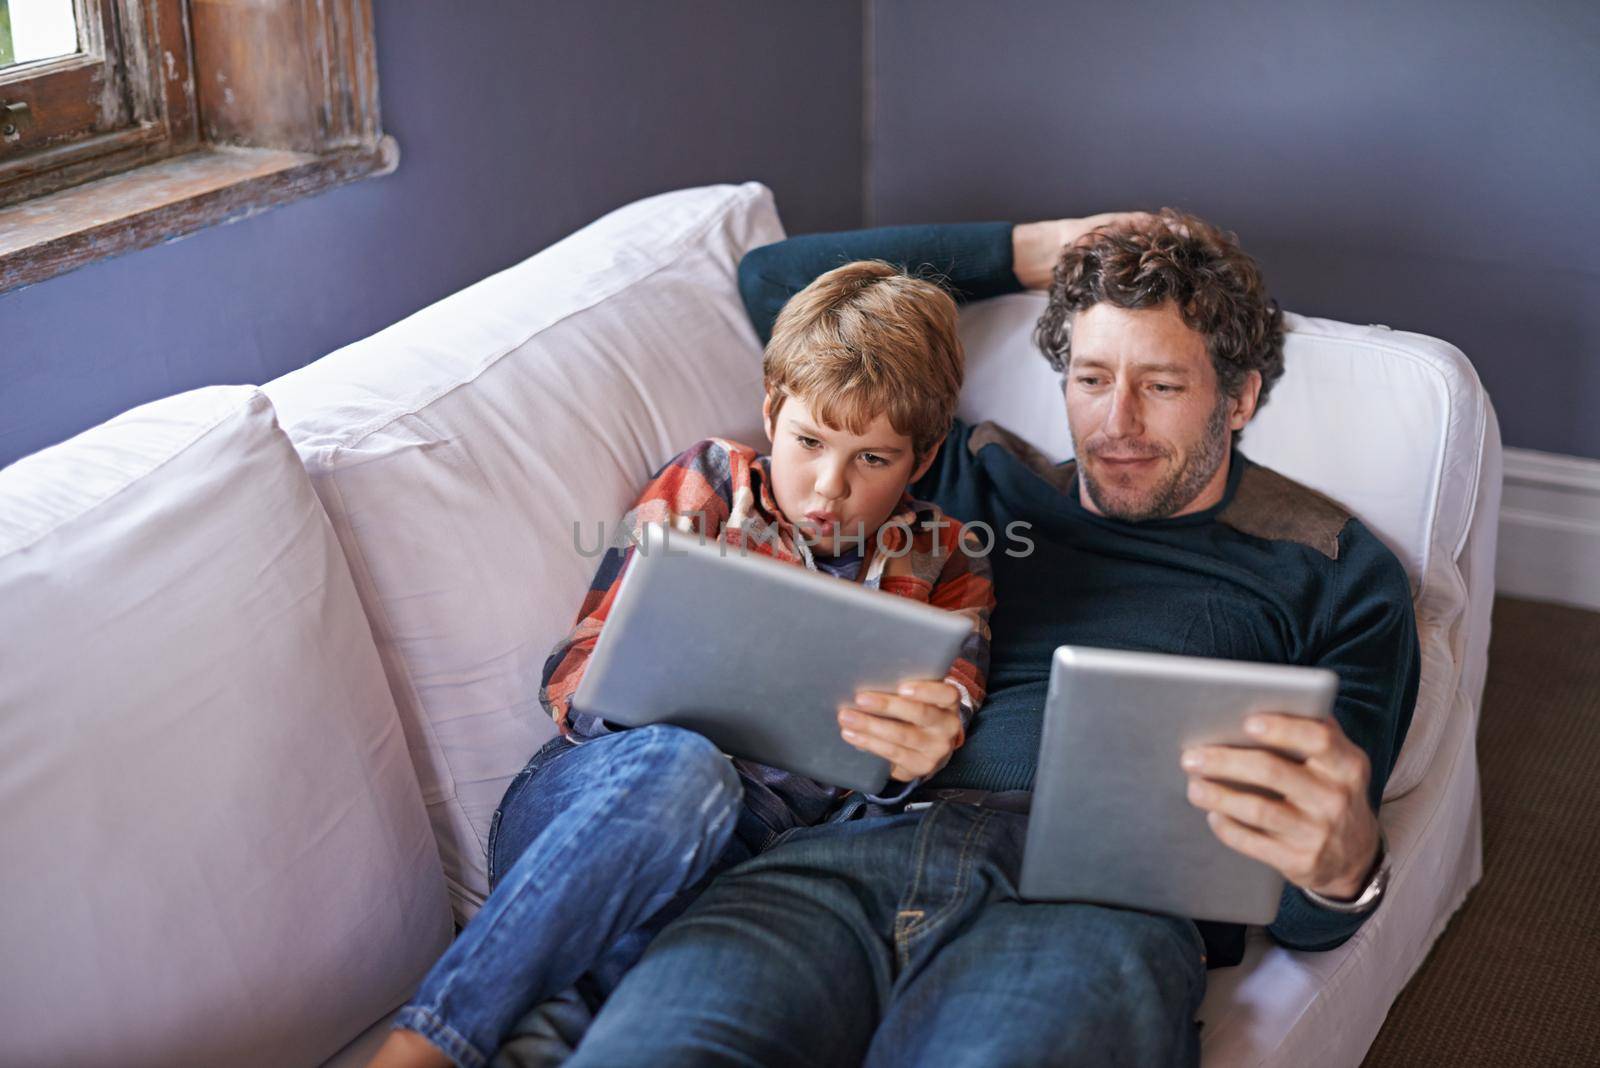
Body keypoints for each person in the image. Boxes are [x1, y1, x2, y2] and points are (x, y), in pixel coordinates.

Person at [552, 210, 1419, 1067]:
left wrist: (1346, 868)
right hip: (840, 853)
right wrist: (1045, 249)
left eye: (1160, 385)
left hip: (1095, 906)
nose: (1115, 421)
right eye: (1089, 378)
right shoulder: (972, 475)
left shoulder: (1333, 567)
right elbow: (774, 285)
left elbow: (1313, 905)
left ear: (1239, 398)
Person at [367, 260, 997, 1068]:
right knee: (685, 769)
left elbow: (944, 716)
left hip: (762, 848)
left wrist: (923, 746)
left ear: (924, 456)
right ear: (773, 410)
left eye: (873, 460)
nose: (829, 488)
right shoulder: (708, 481)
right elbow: (575, 676)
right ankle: (424, 1046)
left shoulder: (952, 557)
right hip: (599, 800)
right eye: (809, 442)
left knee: (657, 973)